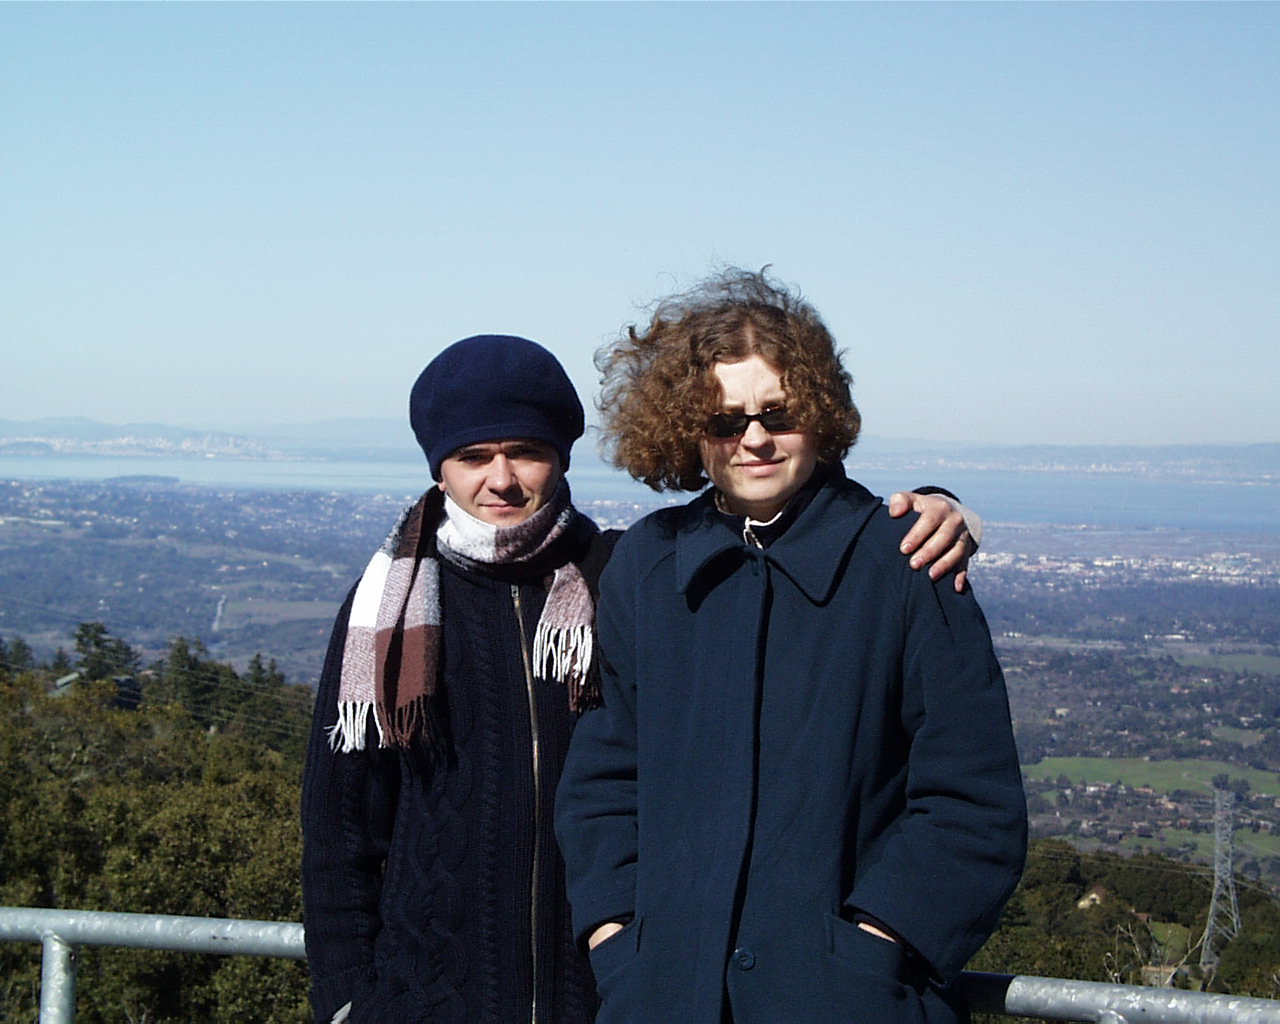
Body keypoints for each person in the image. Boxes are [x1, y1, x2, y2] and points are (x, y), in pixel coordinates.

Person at [301, 333, 981, 1024]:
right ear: (439, 469)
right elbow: (339, 830)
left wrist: (939, 510)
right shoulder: (384, 616)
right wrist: (348, 998)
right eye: (473, 457)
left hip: (606, 997)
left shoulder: (625, 573)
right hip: (426, 1002)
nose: (500, 478)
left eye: (526, 452)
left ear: (560, 458)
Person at [555, 272, 1027, 1024]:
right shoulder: (648, 564)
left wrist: (873, 951)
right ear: (685, 429)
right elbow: (604, 781)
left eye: (779, 413)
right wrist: (618, 940)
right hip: (666, 999)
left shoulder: (906, 563)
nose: (754, 439)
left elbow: (972, 801)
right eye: (723, 420)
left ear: (821, 411)